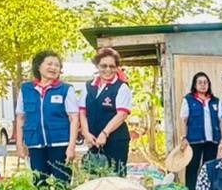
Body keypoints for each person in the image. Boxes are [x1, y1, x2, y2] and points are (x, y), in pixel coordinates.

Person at [15, 50, 80, 182]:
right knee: (39, 185)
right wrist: (20, 145)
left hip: (60, 144)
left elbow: (74, 119)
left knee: (62, 185)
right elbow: (21, 118)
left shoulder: (66, 89)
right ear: (38, 66)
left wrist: (71, 147)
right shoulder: (26, 89)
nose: (53, 68)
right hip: (35, 145)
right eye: (49, 64)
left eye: (57, 65)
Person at [83, 47, 134, 174]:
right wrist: (86, 133)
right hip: (94, 141)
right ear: (97, 66)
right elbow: (82, 112)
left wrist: (105, 133)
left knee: (115, 177)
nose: (108, 70)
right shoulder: (89, 86)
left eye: (112, 66)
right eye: (103, 66)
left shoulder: (122, 87)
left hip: (116, 140)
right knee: (94, 179)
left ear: (117, 67)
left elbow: (122, 114)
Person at [180, 72, 222, 190]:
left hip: (212, 140)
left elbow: (221, 121)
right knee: (192, 167)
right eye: (200, 82)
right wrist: (184, 137)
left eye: (205, 82)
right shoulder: (188, 99)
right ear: (195, 84)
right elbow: (184, 120)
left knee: (209, 168)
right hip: (194, 140)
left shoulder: (215, 101)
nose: (203, 85)